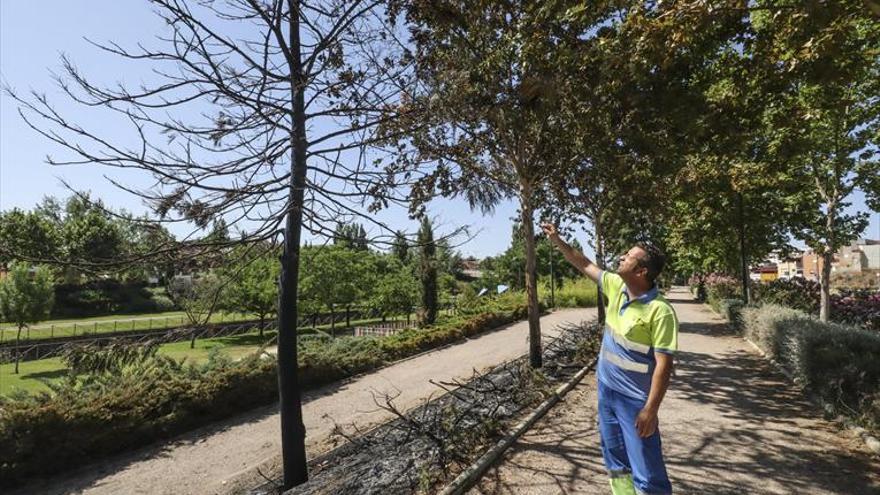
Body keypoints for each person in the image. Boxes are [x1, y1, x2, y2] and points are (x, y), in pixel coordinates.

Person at [541, 223, 678, 495]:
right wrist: (557, 239)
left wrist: (650, 409)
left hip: (635, 401)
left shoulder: (660, 311)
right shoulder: (616, 286)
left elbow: (664, 365)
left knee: (647, 469)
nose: (621, 258)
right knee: (615, 459)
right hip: (607, 393)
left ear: (641, 271)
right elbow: (583, 263)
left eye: (628, 257)